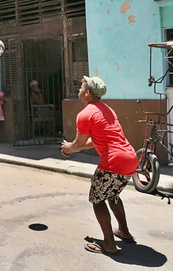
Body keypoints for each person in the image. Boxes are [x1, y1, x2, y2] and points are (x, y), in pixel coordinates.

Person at [61, 76, 138, 256]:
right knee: (113, 195)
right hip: (129, 158)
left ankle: (109, 244)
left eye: (81, 87)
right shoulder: (107, 110)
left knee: (97, 199)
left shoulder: (85, 114)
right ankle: (124, 232)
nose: (79, 90)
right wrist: (73, 147)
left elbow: (79, 143)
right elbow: (94, 141)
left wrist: (68, 148)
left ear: (87, 93)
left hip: (113, 161)